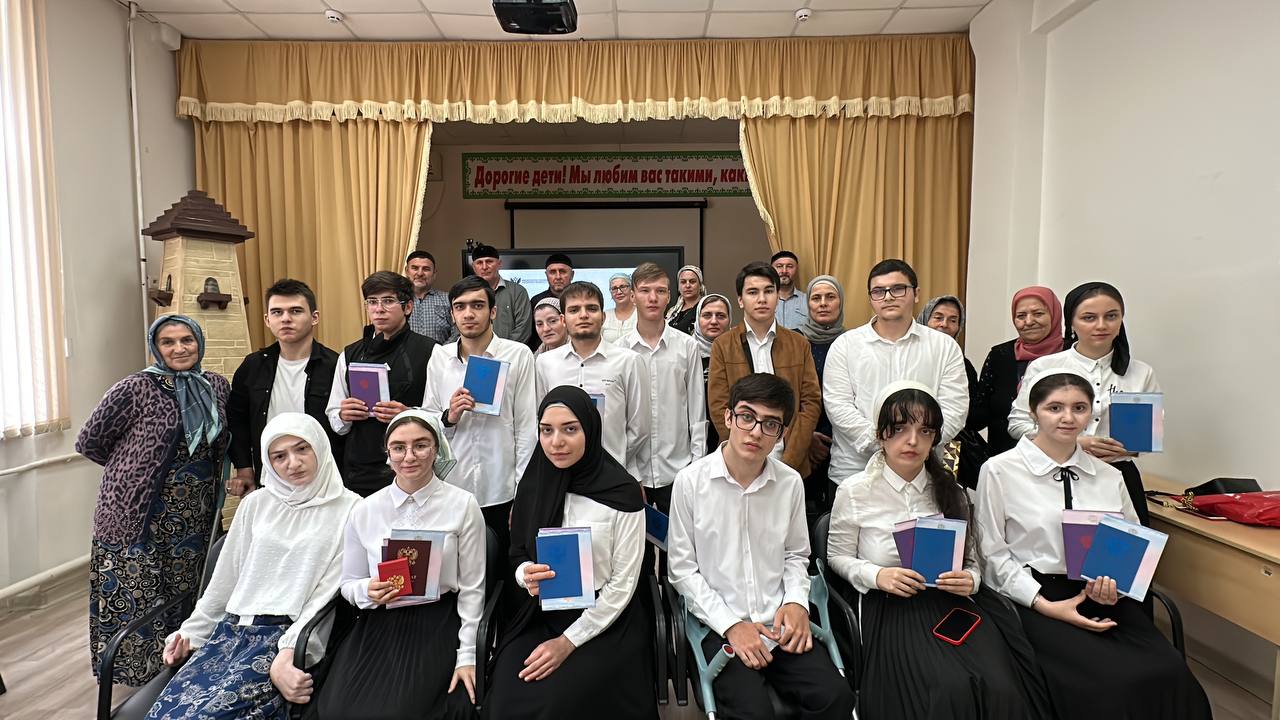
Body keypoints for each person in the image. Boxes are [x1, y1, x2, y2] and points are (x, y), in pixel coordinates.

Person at [976, 371, 1210, 719]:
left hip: (1103, 593)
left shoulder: (1110, 476)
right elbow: (992, 555)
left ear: (1091, 414)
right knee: (1109, 684)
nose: (1068, 417)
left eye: (1079, 408)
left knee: (1171, 672)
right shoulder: (999, 470)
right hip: (1032, 596)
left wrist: (1116, 587)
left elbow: (1133, 540)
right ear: (1034, 411)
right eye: (1055, 407)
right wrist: (1044, 604)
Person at [827, 382, 1049, 720]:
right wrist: (877, 575)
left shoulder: (951, 490)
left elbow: (972, 561)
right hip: (889, 604)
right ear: (881, 434)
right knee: (946, 687)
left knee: (1001, 684)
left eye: (925, 431)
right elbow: (836, 557)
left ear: (935, 439)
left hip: (951, 602)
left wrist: (970, 580)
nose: (912, 441)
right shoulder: (855, 491)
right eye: (899, 429)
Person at [668, 374, 854, 720]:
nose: (755, 432)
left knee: (835, 697)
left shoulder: (790, 483)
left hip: (778, 622)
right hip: (719, 625)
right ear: (728, 417)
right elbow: (682, 571)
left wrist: (796, 602)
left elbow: (796, 555)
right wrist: (731, 625)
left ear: (781, 434)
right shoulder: (690, 483)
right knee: (753, 712)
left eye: (770, 424)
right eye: (747, 417)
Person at [149, 413, 360, 719]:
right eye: (279, 456)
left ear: (320, 447)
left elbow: (325, 596)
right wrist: (191, 634)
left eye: (302, 449)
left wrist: (288, 653)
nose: (293, 463)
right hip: (229, 632)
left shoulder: (351, 509)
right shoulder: (255, 504)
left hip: (281, 636)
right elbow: (225, 580)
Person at [76, 314, 231, 687]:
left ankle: (182, 666)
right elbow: (89, 441)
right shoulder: (133, 388)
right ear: (155, 347)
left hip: (195, 511)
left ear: (199, 343)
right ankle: (144, 679)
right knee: (140, 591)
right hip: (136, 512)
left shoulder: (216, 385)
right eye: (168, 342)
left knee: (189, 588)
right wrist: (131, 471)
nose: (179, 348)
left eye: (187, 340)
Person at [482, 387, 654, 720]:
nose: (556, 442)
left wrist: (568, 642)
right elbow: (517, 553)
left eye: (570, 429)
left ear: (590, 429)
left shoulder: (623, 494)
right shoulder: (533, 483)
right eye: (546, 430)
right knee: (506, 694)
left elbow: (623, 584)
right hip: (541, 614)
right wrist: (525, 574)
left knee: (557, 702)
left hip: (606, 619)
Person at [310, 410, 484, 720]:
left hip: (438, 619)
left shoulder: (462, 504)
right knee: (336, 709)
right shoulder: (365, 509)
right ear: (387, 453)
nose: (409, 456)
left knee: (401, 710)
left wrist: (467, 655)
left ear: (437, 449)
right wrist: (368, 590)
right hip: (380, 619)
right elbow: (348, 583)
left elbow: (473, 588)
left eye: (421, 445)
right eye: (399, 447)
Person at [1007, 282, 1159, 525]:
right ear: (1071, 323)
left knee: (1123, 547)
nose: (1101, 325)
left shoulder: (1141, 372)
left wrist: (1128, 448)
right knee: (1056, 547)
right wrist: (1075, 442)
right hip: (1054, 475)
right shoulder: (1045, 367)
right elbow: (1017, 424)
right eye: (1089, 317)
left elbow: (1146, 439)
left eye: (1111, 316)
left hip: (1118, 476)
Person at [823, 259, 968, 484]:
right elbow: (838, 406)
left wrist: (916, 442)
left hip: (924, 473)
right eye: (879, 291)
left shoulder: (944, 347)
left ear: (916, 294)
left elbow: (954, 408)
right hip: (856, 472)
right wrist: (884, 441)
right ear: (870, 298)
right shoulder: (845, 345)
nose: (888, 297)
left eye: (898, 289)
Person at [423, 276, 537, 554]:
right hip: (453, 487)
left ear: (493, 311)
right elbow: (428, 420)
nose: (468, 314)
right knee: (458, 567)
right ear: (452, 314)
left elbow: (526, 428)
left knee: (504, 568)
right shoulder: (440, 357)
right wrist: (449, 416)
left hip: (503, 488)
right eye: (460, 307)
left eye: (477, 305)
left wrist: (522, 494)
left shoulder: (518, 355)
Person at [228, 279, 344, 495]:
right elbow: (238, 422)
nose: (286, 319)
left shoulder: (336, 366)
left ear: (315, 317)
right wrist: (244, 470)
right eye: (277, 312)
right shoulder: (252, 366)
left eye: (295, 311)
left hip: (324, 480)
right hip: (270, 479)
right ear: (267, 320)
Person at [326, 271, 437, 496]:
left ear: (408, 307)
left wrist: (409, 414)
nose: (379, 309)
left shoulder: (431, 351)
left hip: (412, 466)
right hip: (360, 467)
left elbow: (441, 415)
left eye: (388, 301)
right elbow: (334, 415)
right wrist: (344, 415)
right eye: (372, 302)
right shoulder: (349, 354)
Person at [707, 261, 821, 477]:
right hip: (738, 462)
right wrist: (741, 454)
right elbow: (719, 405)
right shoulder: (723, 345)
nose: (761, 299)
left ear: (778, 295)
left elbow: (810, 403)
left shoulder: (799, 343)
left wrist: (791, 459)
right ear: (740, 300)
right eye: (752, 292)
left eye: (768, 291)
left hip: (789, 459)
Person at [535, 281, 650, 480]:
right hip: (562, 475)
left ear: (603, 317)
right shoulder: (545, 363)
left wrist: (611, 461)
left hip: (613, 473)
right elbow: (540, 422)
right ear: (563, 319)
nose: (583, 315)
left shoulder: (629, 361)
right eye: (574, 310)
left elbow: (639, 428)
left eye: (591, 308)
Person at [615, 262, 706, 514]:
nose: (653, 298)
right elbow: (618, 418)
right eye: (645, 290)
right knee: (636, 540)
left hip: (679, 469)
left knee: (680, 539)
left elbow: (697, 411)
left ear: (669, 296)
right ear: (632, 296)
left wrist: (696, 467)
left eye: (660, 291)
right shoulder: (619, 351)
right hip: (633, 471)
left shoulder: (687, 346)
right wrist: (628, 470)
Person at [973, 286, 1064, 454]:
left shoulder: (1071, 353)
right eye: (1021, 316)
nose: (1029, 321)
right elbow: (979, 414)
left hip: (1061, 455)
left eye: (1038, 314)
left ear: (1054, 314)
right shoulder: (1000, 355)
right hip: (1005, 457)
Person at [918, 294, 989, 490]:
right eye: (938, 317)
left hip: (952, 443)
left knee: (947, 492)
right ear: (924, 319)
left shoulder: (963, 364)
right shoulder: (909, 355)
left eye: (953, 320)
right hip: (910, 438)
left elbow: (974, 413)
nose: (944, 325)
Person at [797, 275, 845, 517]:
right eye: (816, 298)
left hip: (845, 442)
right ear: (808, 304)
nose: (823, 303)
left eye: (830, 297)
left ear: (840, 302)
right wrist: (806, 436)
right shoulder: (793, 341)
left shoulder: (853, 342)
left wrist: (835, 437)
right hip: (800, 442)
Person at [693, 293, 732, 450]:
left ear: (729, 319)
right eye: (707, 315)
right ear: (698, 319)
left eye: (721, 316)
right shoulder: (687, 352)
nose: (714, 321)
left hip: (729, 432)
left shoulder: (737, 351)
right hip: (692, 433)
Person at [470, 243, 531, 343]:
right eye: (479, 263)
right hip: (476, 351)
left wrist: (502, 350)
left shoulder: (517, 291)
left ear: (499, 264)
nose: (484, 267)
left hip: (510, 351)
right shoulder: (467, 294)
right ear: (474, 267)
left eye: (489, 261)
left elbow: (523, 329)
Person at [405, 250, 455, 344]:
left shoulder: (448, 300)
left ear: (434, 273)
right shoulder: (398, 300)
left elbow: (457, 331)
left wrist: (441, 350)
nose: (420, 273)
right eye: (415, 268)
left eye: (426, 269)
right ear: (407, 271)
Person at [526, 253, 574, 349]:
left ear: (572, 275)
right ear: (546, 275)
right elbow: (532, 336)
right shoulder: (537, 301)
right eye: (552, 272)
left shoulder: (580, 300)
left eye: (562, 271)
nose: (558, 277)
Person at [771, 250, 808, 330]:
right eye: (779, 266)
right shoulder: (764, 301)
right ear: (771, 270)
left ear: (796, 269)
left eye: (790, 266)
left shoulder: (808, 301)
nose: (784, 271)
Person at [665, 264, 706, 335]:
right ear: (678, 287)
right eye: (683, 282)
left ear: (700, 285)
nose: (687, 285)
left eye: (692, 281)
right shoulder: (672, 311)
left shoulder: (706, 308)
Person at [600, 272, 638, 345]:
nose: (619, 292)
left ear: (631, 289)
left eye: (623, 287)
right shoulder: (604, 316)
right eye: (614, 288)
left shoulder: (641, 314)